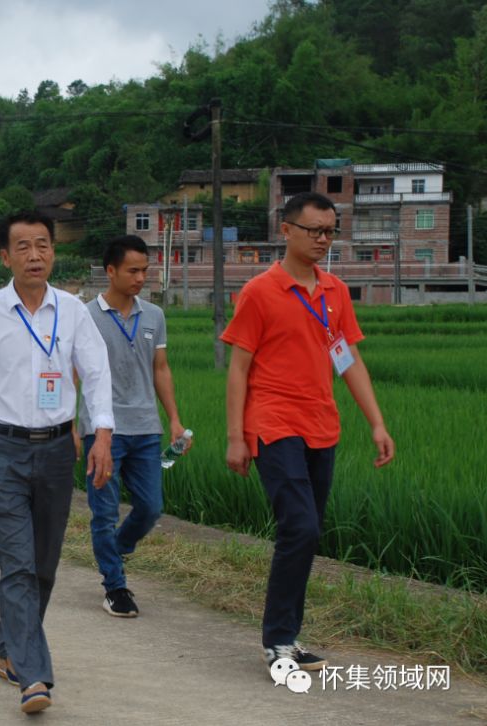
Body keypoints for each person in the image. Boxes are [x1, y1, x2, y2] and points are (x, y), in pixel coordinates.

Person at [0, 211, 114, 715]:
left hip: (58, 451)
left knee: (42, 566)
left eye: (43, 245)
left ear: (53, 251)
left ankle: (7, 650)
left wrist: (101, 433)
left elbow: (97, 372)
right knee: (18, 565)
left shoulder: (73, 310)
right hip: (0, 450)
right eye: (23, 247)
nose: (35, 255)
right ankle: (33, 676)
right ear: (5, 257)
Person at [222, 191, 395, 673]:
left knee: (307, 531)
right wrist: (236, 437)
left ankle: (289, 636)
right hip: (274, 424)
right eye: (314, 230)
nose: (323, 239)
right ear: (287, 230)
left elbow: (349, 359)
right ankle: (278, 640)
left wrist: (377, 423)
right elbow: (239, 369)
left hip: (323, 426)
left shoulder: (336, 293)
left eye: (330, 231)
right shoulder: (260, 291)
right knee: (299, 526)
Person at [78, 235, 191, 618]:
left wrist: (173, 419)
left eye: (145, 270)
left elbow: (160, 369)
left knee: (151, 506)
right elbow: (74, 376)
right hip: (101, 430)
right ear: (110, 271)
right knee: (104, 511)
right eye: (133, 270)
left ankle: (119, 546)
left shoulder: (154, 316)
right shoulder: (85, 317)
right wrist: (72, 429)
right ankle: (115, 585)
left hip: (146, 427)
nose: (141, 277)